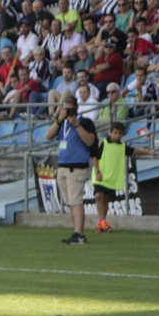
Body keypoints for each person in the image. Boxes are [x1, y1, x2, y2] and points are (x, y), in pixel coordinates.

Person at [46, 93, 97, 244]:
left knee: (76, 201)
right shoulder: (61, 124)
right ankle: (76, 232)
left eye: (70, 109)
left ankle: (79, 233)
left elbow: (89, 141)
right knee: (70, 202)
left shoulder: (85, 122)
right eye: (64, 108)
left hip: (77, 167)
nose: (67, 111)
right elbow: (48, 135)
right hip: (62, 166)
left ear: (77, 108)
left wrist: (76, 124)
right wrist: (59, 118)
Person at [91, 121, 154, 233]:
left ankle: (101, 224)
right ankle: (103, 222)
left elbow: (133, 150)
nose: (117, 135)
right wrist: (97, 172)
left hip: (112, 178)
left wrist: (148, 153)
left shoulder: (122, 146)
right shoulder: (103, 143)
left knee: (106, 199)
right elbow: (95, 157)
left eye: (120, 133)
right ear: (110, 132)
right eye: (115, 133)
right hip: (100, 176)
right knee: (99, 196)